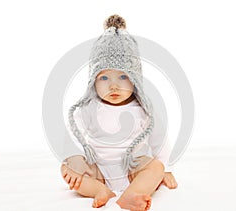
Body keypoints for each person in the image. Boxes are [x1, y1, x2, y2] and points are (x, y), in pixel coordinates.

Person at [61, 14, 178, 211]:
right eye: (104, 78)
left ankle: (133, 193)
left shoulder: (143, 109)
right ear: (93, 82)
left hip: (133, 168)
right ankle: (100, 190)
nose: (113, 85)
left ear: (135, 79)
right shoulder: (89, 108)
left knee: (155, 167)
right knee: (67, 168)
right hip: (97, 168)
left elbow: (160, 143)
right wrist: (74, 158)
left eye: (123, 76)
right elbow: (71, 136)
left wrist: (164, 169)